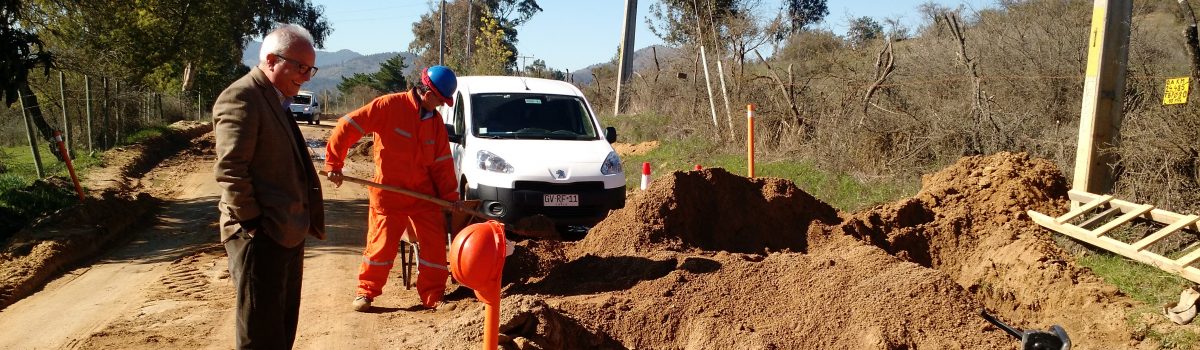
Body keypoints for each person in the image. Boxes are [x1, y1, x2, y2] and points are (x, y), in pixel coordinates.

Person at [212, 23, 325, 349]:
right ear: (272, 60)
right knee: (260, 331)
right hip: (260, 235)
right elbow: (231, 170)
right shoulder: (242, 97)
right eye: (300, 67)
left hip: (285, 232)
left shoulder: (277, 99)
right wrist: (254, 224)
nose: (306, 77)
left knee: (281, 326)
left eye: (310, 69)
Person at [324, 65, 462, 312]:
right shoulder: (388, 106)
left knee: (434, 247)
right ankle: (365, 293)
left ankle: (433, 297)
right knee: (381, 245)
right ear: (427, 92)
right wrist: (334, 162)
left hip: (423, 196)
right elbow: (348, 125)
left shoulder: (436, 122)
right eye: (440, 100)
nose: (441, 105)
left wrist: (450, 198)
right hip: (389, 193)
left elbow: (442, 163)